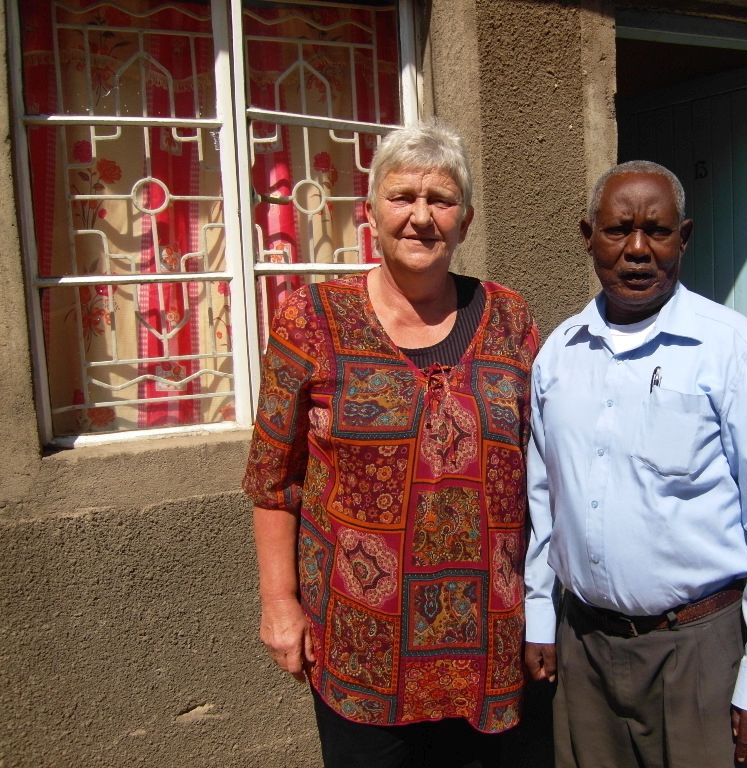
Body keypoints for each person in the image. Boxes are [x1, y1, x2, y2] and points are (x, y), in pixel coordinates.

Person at [243, 121, 539, 768]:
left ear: (466, 220)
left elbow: (542, 474)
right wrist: (279, 604)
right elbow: (273, 479)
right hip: (360, 652)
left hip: (492, 653)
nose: (421, 217)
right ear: (371, 211)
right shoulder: (311, 320)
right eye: (403, 197)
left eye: (441, 199)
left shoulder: (511, 319)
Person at [523, 160, 747, 768]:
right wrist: (539, 614)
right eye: (618, 230)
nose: (638, 250)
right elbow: (544, 500)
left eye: (658, 231)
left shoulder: (729, 349)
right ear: (587, 236)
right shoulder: (559, 354)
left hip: (696, 653)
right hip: (585, 648)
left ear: (686, 237)